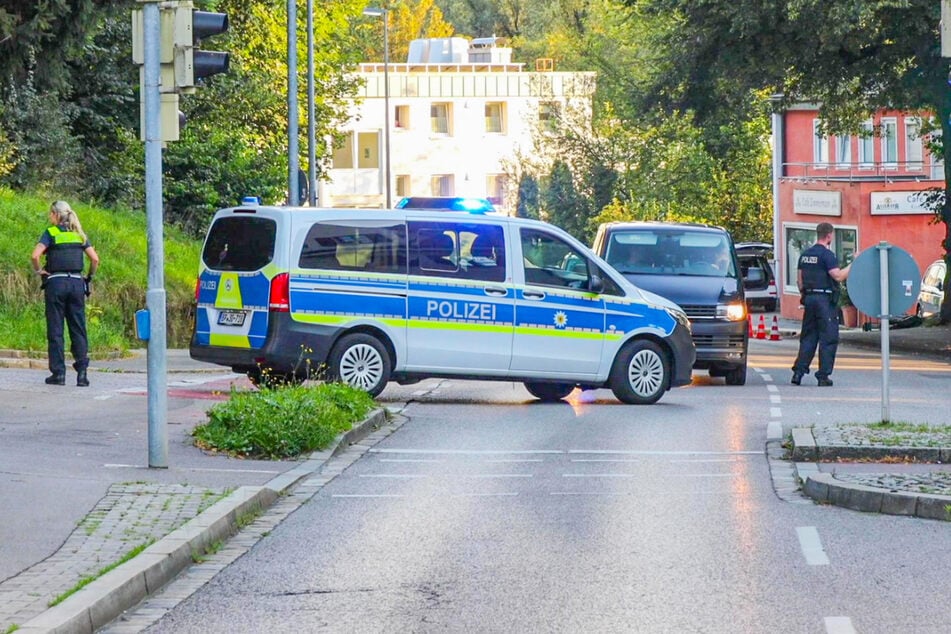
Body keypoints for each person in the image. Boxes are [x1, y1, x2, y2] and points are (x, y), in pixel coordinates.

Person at [30, 201, 100, 387]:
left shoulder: (51, 232)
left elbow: (35, 256)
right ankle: (82, 373)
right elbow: (94, 259)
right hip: (77, 284)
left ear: (55, 214)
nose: (49, 217)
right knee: (78, 327)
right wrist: (88, 277)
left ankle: (59, 373)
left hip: (56, 283)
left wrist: (39, 272)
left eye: (50, 214)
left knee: (56, 329)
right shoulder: (79, 234)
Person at [791, 222, 850, 387]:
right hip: (825, 301)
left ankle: (798, 372)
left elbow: (799, 280)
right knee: (828, 338)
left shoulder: (805, 255)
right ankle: (823, 376)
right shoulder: (827, 255)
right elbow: (837, 276)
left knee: (808, 337)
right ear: (829, 235)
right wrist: (853, 265)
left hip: (809, 299)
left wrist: (805, 296)